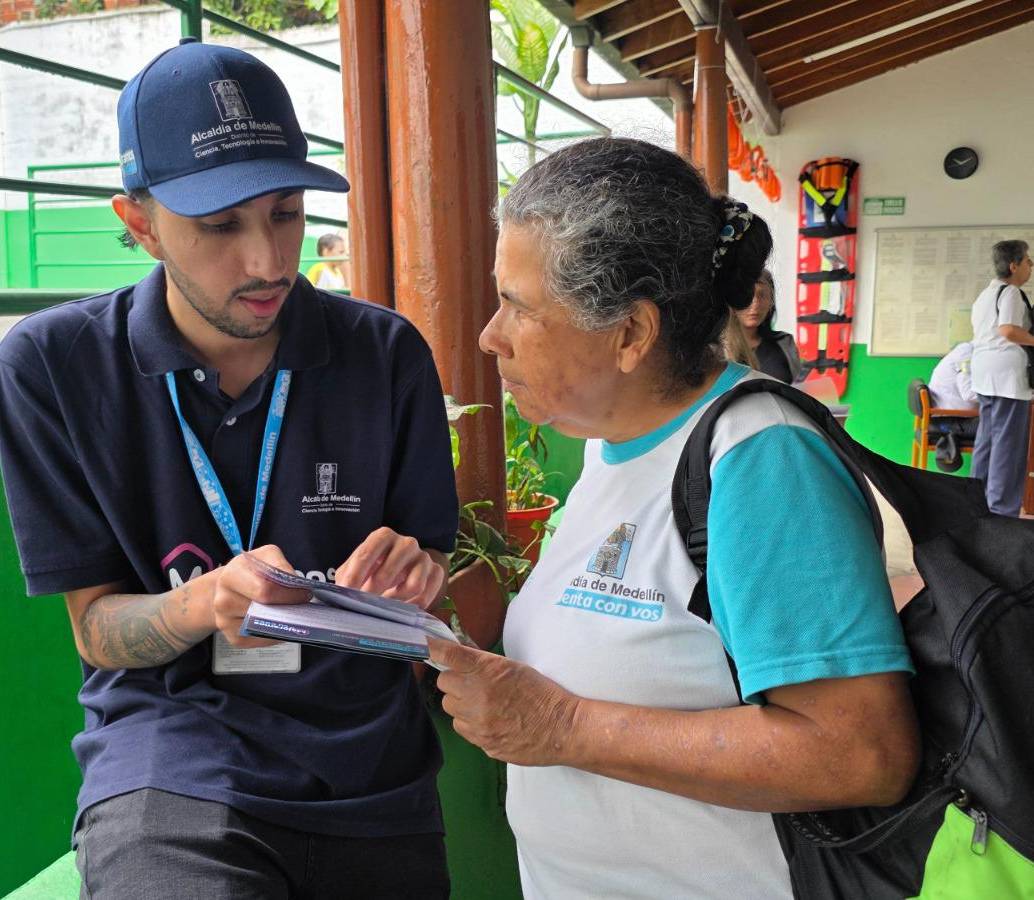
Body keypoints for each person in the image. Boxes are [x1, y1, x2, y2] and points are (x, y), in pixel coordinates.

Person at [0, 40, 457, 898]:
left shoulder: (385, 353)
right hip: (174, 754)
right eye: (220, 226)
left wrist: (416, 572)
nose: (269, 261)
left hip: (374, 765)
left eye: (285, 212)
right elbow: (97, 630)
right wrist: (210, 600)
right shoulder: (52, 366)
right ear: (137, 222)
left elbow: (432, 564)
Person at [428, 138, 918, 899]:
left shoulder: (757, 459)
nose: (491, 336)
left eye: (518, 307)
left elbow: (861, 753)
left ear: (630, 333)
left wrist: (563, 729)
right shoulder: (610, 449)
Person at [970, 239, 1034, 516]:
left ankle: (976, 503)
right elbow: (1008, 330)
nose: (1031, 267)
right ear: (1014, 265)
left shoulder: (986, 294)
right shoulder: (1010, 293)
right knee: (1008, 445)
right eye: (1028, 261)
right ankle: (1002, 511)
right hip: (1007, 377)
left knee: (987, 440)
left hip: (984, 374)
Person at [733, 267, 801, 383]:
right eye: (747, 296)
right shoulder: (716, 350)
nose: (755, 304)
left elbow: (800, 388)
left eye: (762, 295)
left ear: (771, 301)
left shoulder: (784, 343)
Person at [927, 341, 979, 473]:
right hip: (950, 421)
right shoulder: (967, 354)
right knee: (1004, 423)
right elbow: (969, 394)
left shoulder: (966, 349)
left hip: (947, 417)